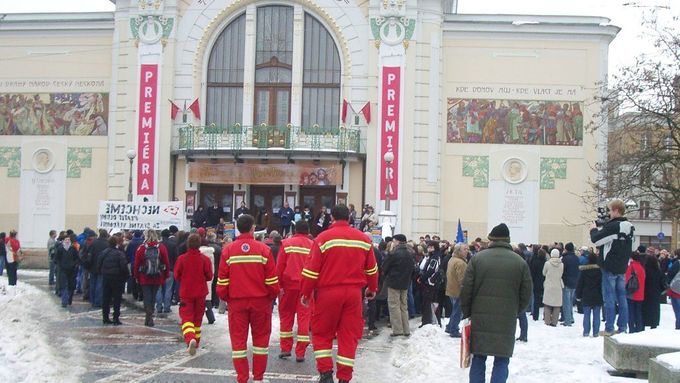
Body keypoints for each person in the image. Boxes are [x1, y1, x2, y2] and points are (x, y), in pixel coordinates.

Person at [300, 204, 379, 383]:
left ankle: (326, 374)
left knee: (322, 334)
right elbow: (372, 270)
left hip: (327, 293)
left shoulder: (323, 238)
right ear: (350, 218)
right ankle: (344, 377)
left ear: (332, 218)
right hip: (353, 295)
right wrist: (372, 288)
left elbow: (311, 270)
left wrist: (306, 292)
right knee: (348, 336)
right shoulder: (363, 239)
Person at [460, 223, 532, 383]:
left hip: (480, 318)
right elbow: (526, 293)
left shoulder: (477, 259)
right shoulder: (520, 263)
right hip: (506, 320)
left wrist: (468, 312)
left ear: (491, 239)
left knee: (478, 357)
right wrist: (515, 311)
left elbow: (466, 291)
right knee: (502, 359)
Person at [217, 214, 279, 383]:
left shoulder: (228, 250)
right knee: (260, 342)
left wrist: (227, 298)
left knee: (238, 343)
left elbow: (222, 281)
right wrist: (271, 298)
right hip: (260, 302)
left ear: (238, 228)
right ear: (253, 228)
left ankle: (242, 378)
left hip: (237, 302)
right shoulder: (263, 250)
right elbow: (272, 281)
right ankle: (258, 378)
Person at [590, 199, 635, 336]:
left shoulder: (614, 226)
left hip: (609, 266)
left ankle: (609, 327)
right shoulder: (630, 226)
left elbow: (596, 240)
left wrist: (593, 229)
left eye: (610, 210)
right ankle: (622, 327)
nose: (609, 214)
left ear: (616, 210)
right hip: (622, 266)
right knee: (622, 298)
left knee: (609, 298)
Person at [276, 220, 315, 361]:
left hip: (287, 287)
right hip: (306, 288)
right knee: (304, 318)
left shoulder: (286, 244)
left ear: (295, 229)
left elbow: (279, 267)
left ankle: (286, 348)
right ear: (308, 231)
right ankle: (300, 352)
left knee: (286, 316)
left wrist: (278, 286)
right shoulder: (313, 246)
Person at [175, 233, 214, 355]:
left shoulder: (182, 259)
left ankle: (190, 338)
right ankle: (196, 342)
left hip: (186, 293)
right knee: (197, 319)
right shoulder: (205, 259)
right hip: (201, 293)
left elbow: (176, 275)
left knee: (186, 319)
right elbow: (209, 276)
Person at [134, 229, 170, 327]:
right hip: (157, 276)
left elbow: (136, 264)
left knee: (147, 297)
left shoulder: (141, 248)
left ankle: (148, 315)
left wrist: (136, 276)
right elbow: (166, 262)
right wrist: (166, 274)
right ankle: (149, 317)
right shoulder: (161, 247)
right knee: (153, 297)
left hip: (144, 276)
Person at [382, 234, 416, 337]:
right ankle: (406, 329)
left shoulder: (394, 253)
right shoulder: (410, 253)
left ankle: (397, 329)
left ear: (397, 241)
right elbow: (413, 269)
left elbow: (384, 267)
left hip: (393, 282)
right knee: (403, 306)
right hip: (405, 283)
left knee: (394, 306)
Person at [96, 236, 129, 325]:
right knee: (117, 299)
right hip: (117, 278)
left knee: (106, 298)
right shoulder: (119, 254)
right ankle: (115, 318)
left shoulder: (103, 253)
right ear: (116, 243)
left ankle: (105, 317)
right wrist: (125, 276)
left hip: (106, 277)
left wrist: (102, 272)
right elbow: (123, 267)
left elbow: (98, 265)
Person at [575, 251, 603, 337]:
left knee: (586, 315)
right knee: (597, 315)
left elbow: (580, 284)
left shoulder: (584, 271)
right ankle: (596, 332)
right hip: (597, 295)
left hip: (586, 294)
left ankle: (586, 331)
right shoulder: (600, 271)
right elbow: (602, 285)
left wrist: (578, 295)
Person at [445, 243, 468, 337]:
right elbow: (463, 279)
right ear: (459, 251)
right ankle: (453, 329)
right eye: (465, 249)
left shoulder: (452, 259)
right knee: (457, 312)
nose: (467, 251)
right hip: (458, 290)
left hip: (451, 289)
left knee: (455, 310)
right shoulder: (460, 263)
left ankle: (450, 326)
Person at [418, 241, 442, 327]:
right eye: (428, 247)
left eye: (431, 247)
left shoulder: (434, 257)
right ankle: (435, 320)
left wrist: (422, 278)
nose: (429, 249)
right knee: (433, 302)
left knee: (427, 303)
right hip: (432, 282)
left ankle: (427, 321)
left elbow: (430, 270)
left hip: (430, 283)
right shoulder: (434, 256)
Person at [157, 229, 177, 316]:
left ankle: (158, 307)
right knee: (168, 289)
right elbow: (176, 257)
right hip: (170, 269)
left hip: (159, 269)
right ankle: (167, 307)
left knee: (159, 289)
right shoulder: (173, 245)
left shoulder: (158, 245)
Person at [55, 235, 79, 307]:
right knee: (64, 285)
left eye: (68, 240)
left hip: (72, 270)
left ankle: (69, 299)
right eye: (66, 240)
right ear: (63, 241)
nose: (67, 241)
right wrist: (60, 265)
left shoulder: (73, 249)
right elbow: (56, 259)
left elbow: (77, 258)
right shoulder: (60, 249)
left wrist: (74, 264)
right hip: (63, 270)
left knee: (71, 285)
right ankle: (64, 301)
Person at [642, 254, 665, 329]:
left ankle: (644, 322)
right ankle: (654, 324)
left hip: (645, 293)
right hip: (655, 293)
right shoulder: (658, 271)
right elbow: (663, 283)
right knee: (655, 310)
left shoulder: (644, 270)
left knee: (645, 309)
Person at [625, 251, 646, 333]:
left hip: (632, 293)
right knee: (638, 312)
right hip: (640, 294)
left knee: (631, 312)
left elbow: (626, 279)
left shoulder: (631, 267)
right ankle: (639, 328)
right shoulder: (641, 267)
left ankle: (631, 329)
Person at [543, 249, 564, 327]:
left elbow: (544, 273)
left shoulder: (547, 263)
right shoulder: (562, 264)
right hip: (558, 285)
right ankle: (554, 322)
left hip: (549, 285)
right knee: (557, 305)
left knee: (547, 304)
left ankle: (547, 321)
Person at [561, 242, 580, 326]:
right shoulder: (576, 258)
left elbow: (563, 270)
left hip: (566, 281)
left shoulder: (564, 259)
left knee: (566, 302)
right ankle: (571, 317)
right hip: (574, 281)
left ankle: (567, 320)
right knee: (570, 302)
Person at [667, 255, 680, 330]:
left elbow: (670, 274)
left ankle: (678, 326)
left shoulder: (676, 264)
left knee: (677, 311)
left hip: (675, 290)